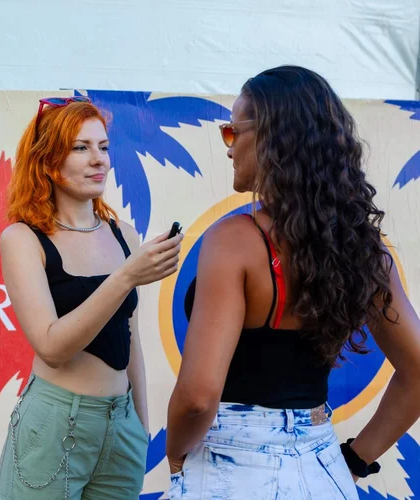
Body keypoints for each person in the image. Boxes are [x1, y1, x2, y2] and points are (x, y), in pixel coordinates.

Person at [164, 65, 420, 499]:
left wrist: (175, 454)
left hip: (232, 462)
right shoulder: (364, 249)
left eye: (233, 131)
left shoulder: (234, 240)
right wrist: (355, 460)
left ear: (271, 138)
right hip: (324, 468)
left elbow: (198, 397)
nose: (228, 148)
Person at [0, 96, 183, 500]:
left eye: (103, 147)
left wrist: (139, 424)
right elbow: (52, 347)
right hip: (56, 423)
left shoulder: (124, 234)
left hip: (122, 427)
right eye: (81, 148)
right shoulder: (23, 239)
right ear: (47, 161)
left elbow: (130, 342)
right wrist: (126, 275)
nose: (100, 160)